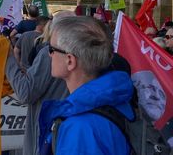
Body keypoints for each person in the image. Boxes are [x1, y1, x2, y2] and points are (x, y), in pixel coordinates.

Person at [38, 16, 133, 154]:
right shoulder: (114, 99)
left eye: (52, 49)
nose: (50, 55)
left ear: (70, 61)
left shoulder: (79, 128)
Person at [5, 11, 72, 155]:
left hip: (45, 135)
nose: (51, 53)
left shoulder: (51, 54)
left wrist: (8, 60)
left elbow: (25, 92)